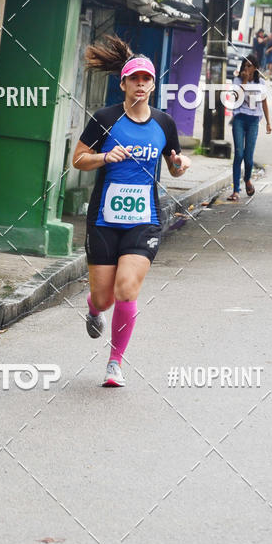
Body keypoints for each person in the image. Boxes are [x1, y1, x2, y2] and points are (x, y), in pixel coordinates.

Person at [72, 36, 191, 387]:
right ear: (123, 83)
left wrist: (181, 164)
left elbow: (173, 165)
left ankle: (114, 363)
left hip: (145, 219)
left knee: (127, 289)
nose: (140, 84)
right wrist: (104, 157)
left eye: (146, 79)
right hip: (104, 220)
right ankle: (94, 310)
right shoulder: (105, 119)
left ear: (153, 85)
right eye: (134, 79)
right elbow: (78, 159)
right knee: (104, 297)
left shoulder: (164, 124)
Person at [227, 53, 272, 202]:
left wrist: (268, 122)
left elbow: (264, 102)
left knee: (248, 157)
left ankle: (247, 180)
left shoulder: (261, 84)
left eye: (249, 66)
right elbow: (237, 97)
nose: (246, 68)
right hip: (239, 119)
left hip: (253, 121)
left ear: (255, 68)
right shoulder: (237, 80)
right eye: (244, 65)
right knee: (239, 153)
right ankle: (235, 191)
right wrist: (244, 81)